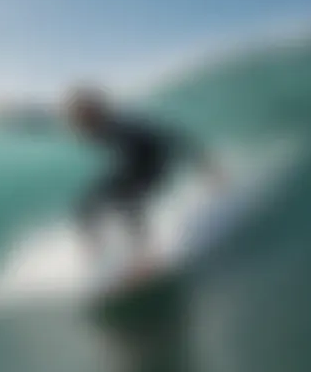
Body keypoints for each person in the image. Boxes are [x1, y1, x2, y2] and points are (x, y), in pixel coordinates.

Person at [65, 85, 225, 260]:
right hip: (132, 167)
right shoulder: (99, 129)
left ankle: (147, 255)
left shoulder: (122, 126)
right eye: (78, 120)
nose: (80, 127)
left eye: (82, 118)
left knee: (125, 201)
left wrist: (206, 166)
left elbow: (172, 137)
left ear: (94, 113)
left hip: (154, 165)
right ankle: (96, 251)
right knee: (84, 206)